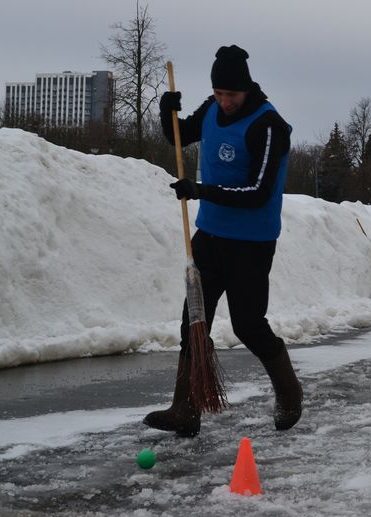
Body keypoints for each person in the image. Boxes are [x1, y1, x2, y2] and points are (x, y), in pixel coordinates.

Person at [145, 45, 302, 437]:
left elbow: (259, 192)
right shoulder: (213, 110)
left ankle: (289, 393)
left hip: (250, 243)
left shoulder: (269, 126)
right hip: (209, 237)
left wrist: (202, 190)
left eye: (230, 95)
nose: (224, 102)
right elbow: (177, 139)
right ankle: (185, 409)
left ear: (246, 89)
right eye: (218, 94)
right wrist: (169, 110)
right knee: (194, 323)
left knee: (248, 325)